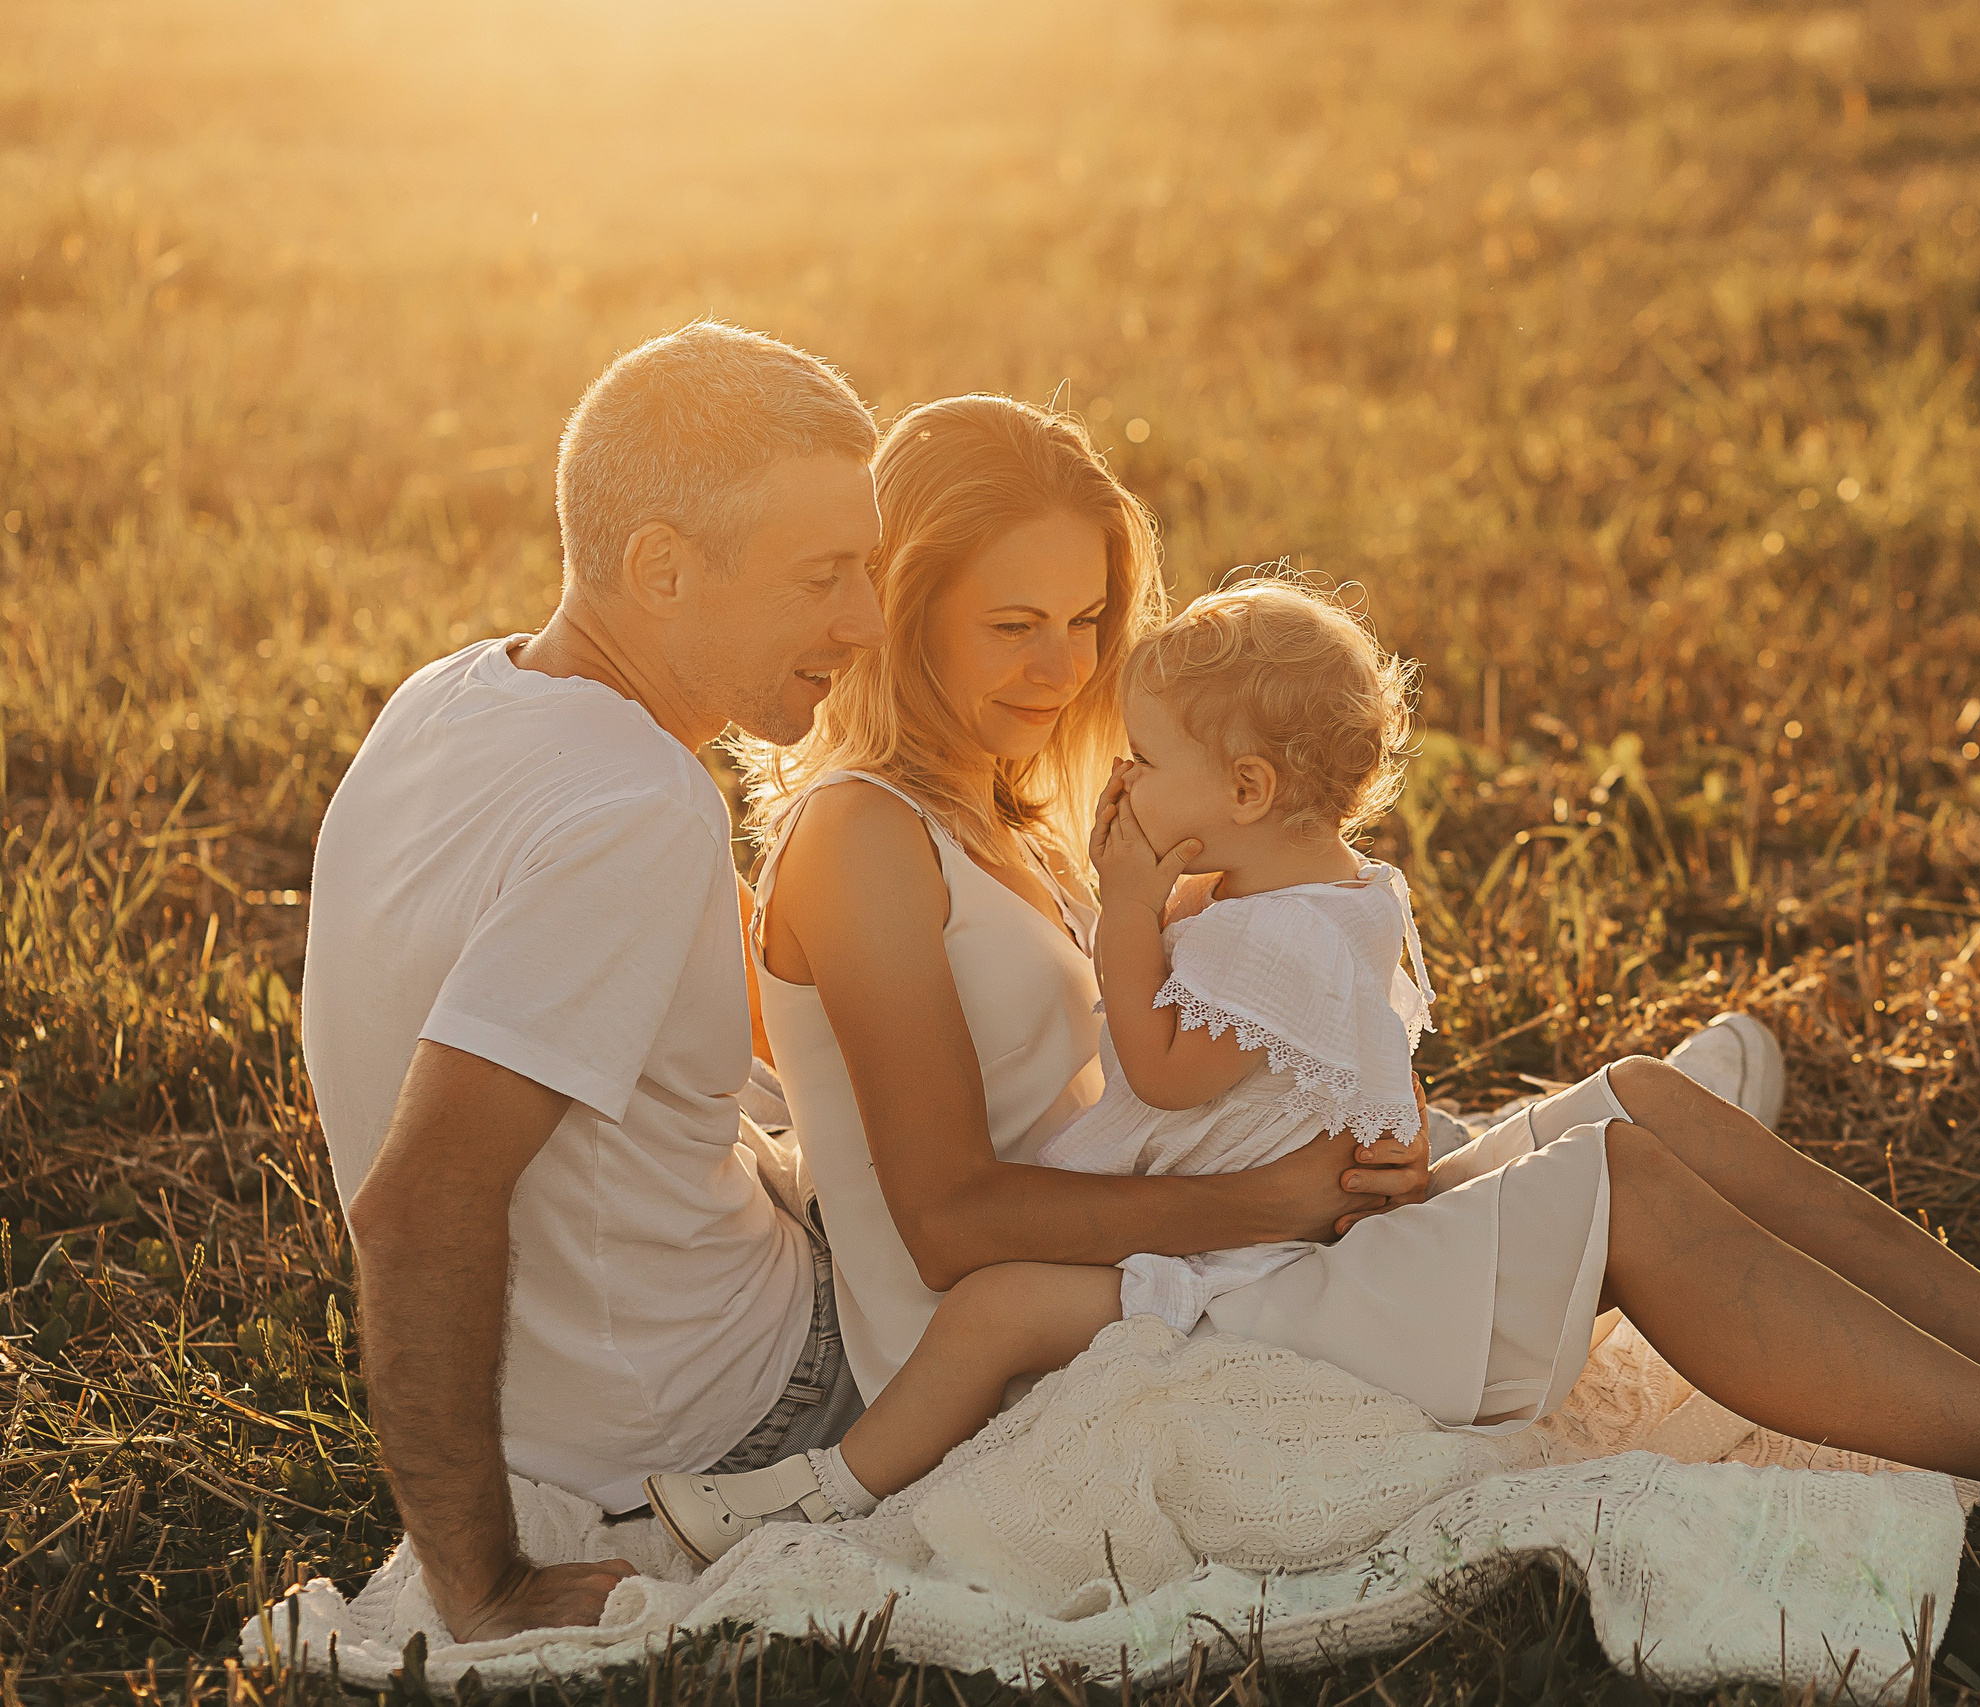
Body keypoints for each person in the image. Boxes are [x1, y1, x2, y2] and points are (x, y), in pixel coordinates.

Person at [658, 390, 1980, 1578]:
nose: (1063, 671)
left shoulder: (1020, 807)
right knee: (1625, 1184)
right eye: (1008, 627)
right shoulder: (865, 840)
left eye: (1089, 623)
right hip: (1038, 1335)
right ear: (903, 621)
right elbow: (956, 1218)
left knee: (1649, 1097)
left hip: (1169, 1226)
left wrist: (1308, 1130)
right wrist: (1284, 1188)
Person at [301, 327, 1425, 1646]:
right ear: (661, 567)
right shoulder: (640, 806)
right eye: (827, 575)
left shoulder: (452, 702)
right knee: (1364, 1300)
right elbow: (421, 1200)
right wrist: (481, 1580)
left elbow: (696, 1013)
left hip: (630, 1350)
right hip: (743, 1397)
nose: (859, 617)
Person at [647, 581, 1439, 1556]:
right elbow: (1366, 1040)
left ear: (1245, 792)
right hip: (1223, 1221)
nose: (1118, 772)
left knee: (996, 1310)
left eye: (1143, 760)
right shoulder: (1343, 894)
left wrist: (1129, 914)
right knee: (999, 1304)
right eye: (1016, 616)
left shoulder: (1267, 935)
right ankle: (825, 1488)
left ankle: (825, 1495)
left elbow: (1159, 1071)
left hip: (1232, 1261)